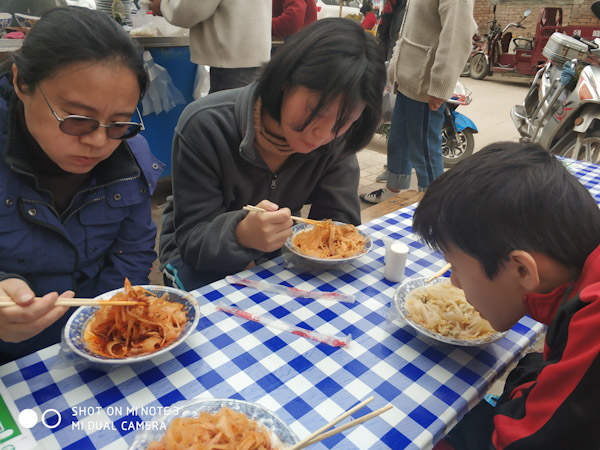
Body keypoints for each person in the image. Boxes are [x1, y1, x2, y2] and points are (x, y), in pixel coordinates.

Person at [159, 18, 386, 290]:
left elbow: (338, 228)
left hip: (277, 252)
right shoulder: (206, 125)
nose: (322, 134)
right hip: (197, 256)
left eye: (344, 120)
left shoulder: (338, 140)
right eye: (316, 110)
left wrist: (326, 244)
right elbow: (191, 241)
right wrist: (241, 234)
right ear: (285, 81)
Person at [0, 6, 163, 363]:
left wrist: (105, 329)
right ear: (21, 82)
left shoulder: (129, 156)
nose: (99, 142)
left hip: (92, 345)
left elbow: (132, 252)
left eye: (119, 123)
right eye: (78, 120)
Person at [411, 142, 600, 449]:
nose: (454, 282)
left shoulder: (594, 322)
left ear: (522, 271)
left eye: (455, 266)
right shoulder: (573, 283)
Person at [360, 0, 476, 204]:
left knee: (425, 150)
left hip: (426, 84)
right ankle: (394, 191)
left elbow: (458, 34)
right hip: (409, 78)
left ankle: (434, 205)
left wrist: (440, 85)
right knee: (398, 139)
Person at [149, 0, 271, 94]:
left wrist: (164, 6)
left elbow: (193, 8)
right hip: (250, 57)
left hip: (231, 63)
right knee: (243, 119)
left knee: (228, 121)